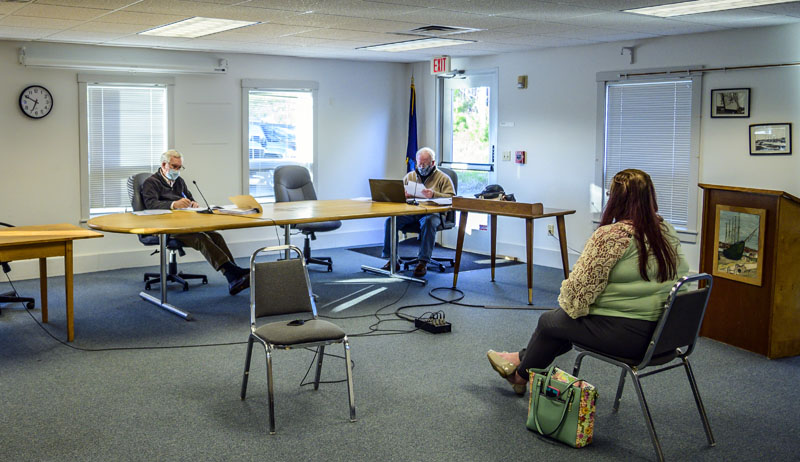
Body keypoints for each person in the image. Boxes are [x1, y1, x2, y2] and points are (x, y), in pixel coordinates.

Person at [487, 169, 688, 394]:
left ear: (615, 199)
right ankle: (519, 360)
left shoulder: (612, 235)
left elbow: (574, 298)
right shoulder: (665, 229)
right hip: (665, 335)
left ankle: (519, 374)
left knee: (549, 322)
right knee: (559, 326)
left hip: (630, 338)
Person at [141, 150, 250, 296]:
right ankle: (233, 274)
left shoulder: (179, 181)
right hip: (164, 227)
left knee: (215, 235)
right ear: (163, 165)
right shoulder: (151, 182)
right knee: (201, 239)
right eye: (174, 166)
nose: (177, 170)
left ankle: (234, 273)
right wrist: (173, 204)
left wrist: (193, 204)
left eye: (180, 167)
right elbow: (150, 205)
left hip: (183, 225)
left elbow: (190, 198)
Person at [381, 147, 455, 277]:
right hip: (412, 212)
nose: (421, 166)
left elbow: (452, 198)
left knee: (428, 222)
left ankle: (423, 261)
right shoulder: (410, 176)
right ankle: (393, 259)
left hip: (433, 213)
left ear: (432, 163)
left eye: (424, 163)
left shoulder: (443, 178)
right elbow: (400, 196)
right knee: (390, 221)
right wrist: (403, 196)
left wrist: (434, 194)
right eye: (419, 163)